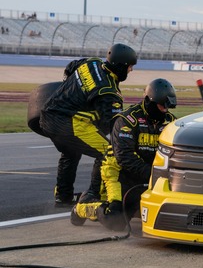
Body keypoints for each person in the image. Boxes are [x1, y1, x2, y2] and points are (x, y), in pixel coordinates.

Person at [39, 43, 137, 208]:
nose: (131, 70)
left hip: (46, 115)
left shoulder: (91, 62)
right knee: (108, 153)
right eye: (129, 67)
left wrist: (72, 90)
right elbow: (113, 125)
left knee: (71, 152)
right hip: (68, 122)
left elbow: (70, 68)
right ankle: (92, 195)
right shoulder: (108, 91)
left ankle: (63, 196)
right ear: (120, 66)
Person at [77, 78, 178, 230]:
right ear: (149, 101)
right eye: (161, 106)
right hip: (119, 175)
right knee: (114, 220)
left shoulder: (171, 122)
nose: (164, 110)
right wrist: (152, 175)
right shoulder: (128, 120)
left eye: (167, 107)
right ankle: (81, 208)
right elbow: (124, 156)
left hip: (148, 177)